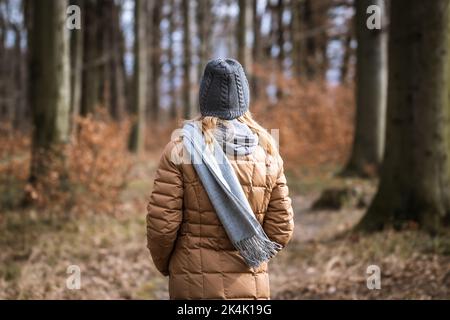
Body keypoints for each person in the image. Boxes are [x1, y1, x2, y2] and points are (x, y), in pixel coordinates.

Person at [146, 58, 294, 300]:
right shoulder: (267, 151)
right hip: (250, 285)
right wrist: (253, 253)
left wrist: (169, 265)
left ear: (204, 98)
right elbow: (282, 227)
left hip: (193, 284)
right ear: (244, 99)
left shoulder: (180, 149)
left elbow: (162, 226)